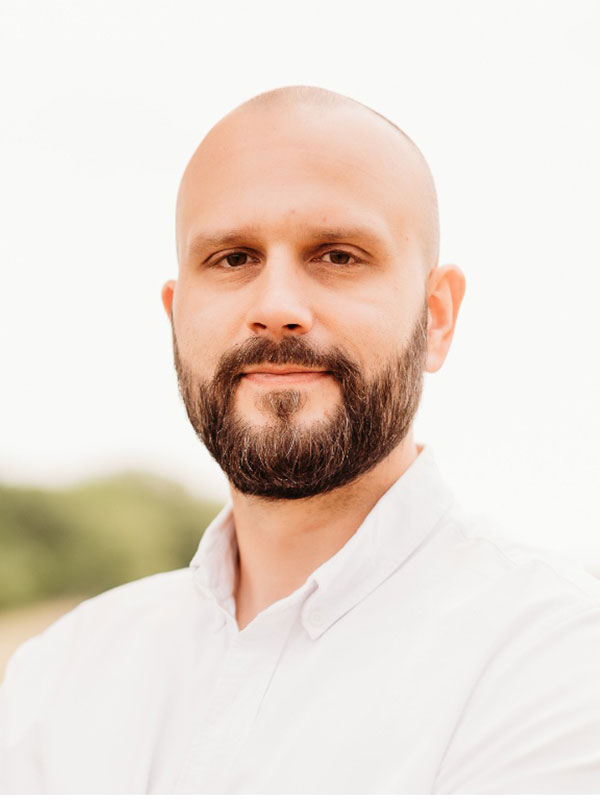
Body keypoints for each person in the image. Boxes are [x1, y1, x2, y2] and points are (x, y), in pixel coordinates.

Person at [1, 85, 600, 794]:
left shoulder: (559, 657)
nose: (277, 308)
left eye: (338, 255)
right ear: (177, 317)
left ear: (436, 317)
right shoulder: (59, 678)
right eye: (232, 259)